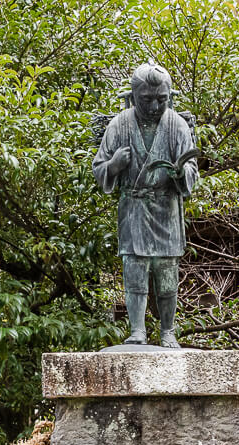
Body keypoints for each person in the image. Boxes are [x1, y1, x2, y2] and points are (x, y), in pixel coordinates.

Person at [93, 63, 199, 348]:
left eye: (161, 99)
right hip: (134, 206)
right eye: (147, 99)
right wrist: (114, 165)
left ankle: (168, 330)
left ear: (169, 96)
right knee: (135, 269)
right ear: (134, 95)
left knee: (166, 274)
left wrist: (181, 173)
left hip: (166, 206)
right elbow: (99, 167)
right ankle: (137, 329)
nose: (154, 106)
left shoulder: (176, 124)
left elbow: (191, 168)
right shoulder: (120, 124)